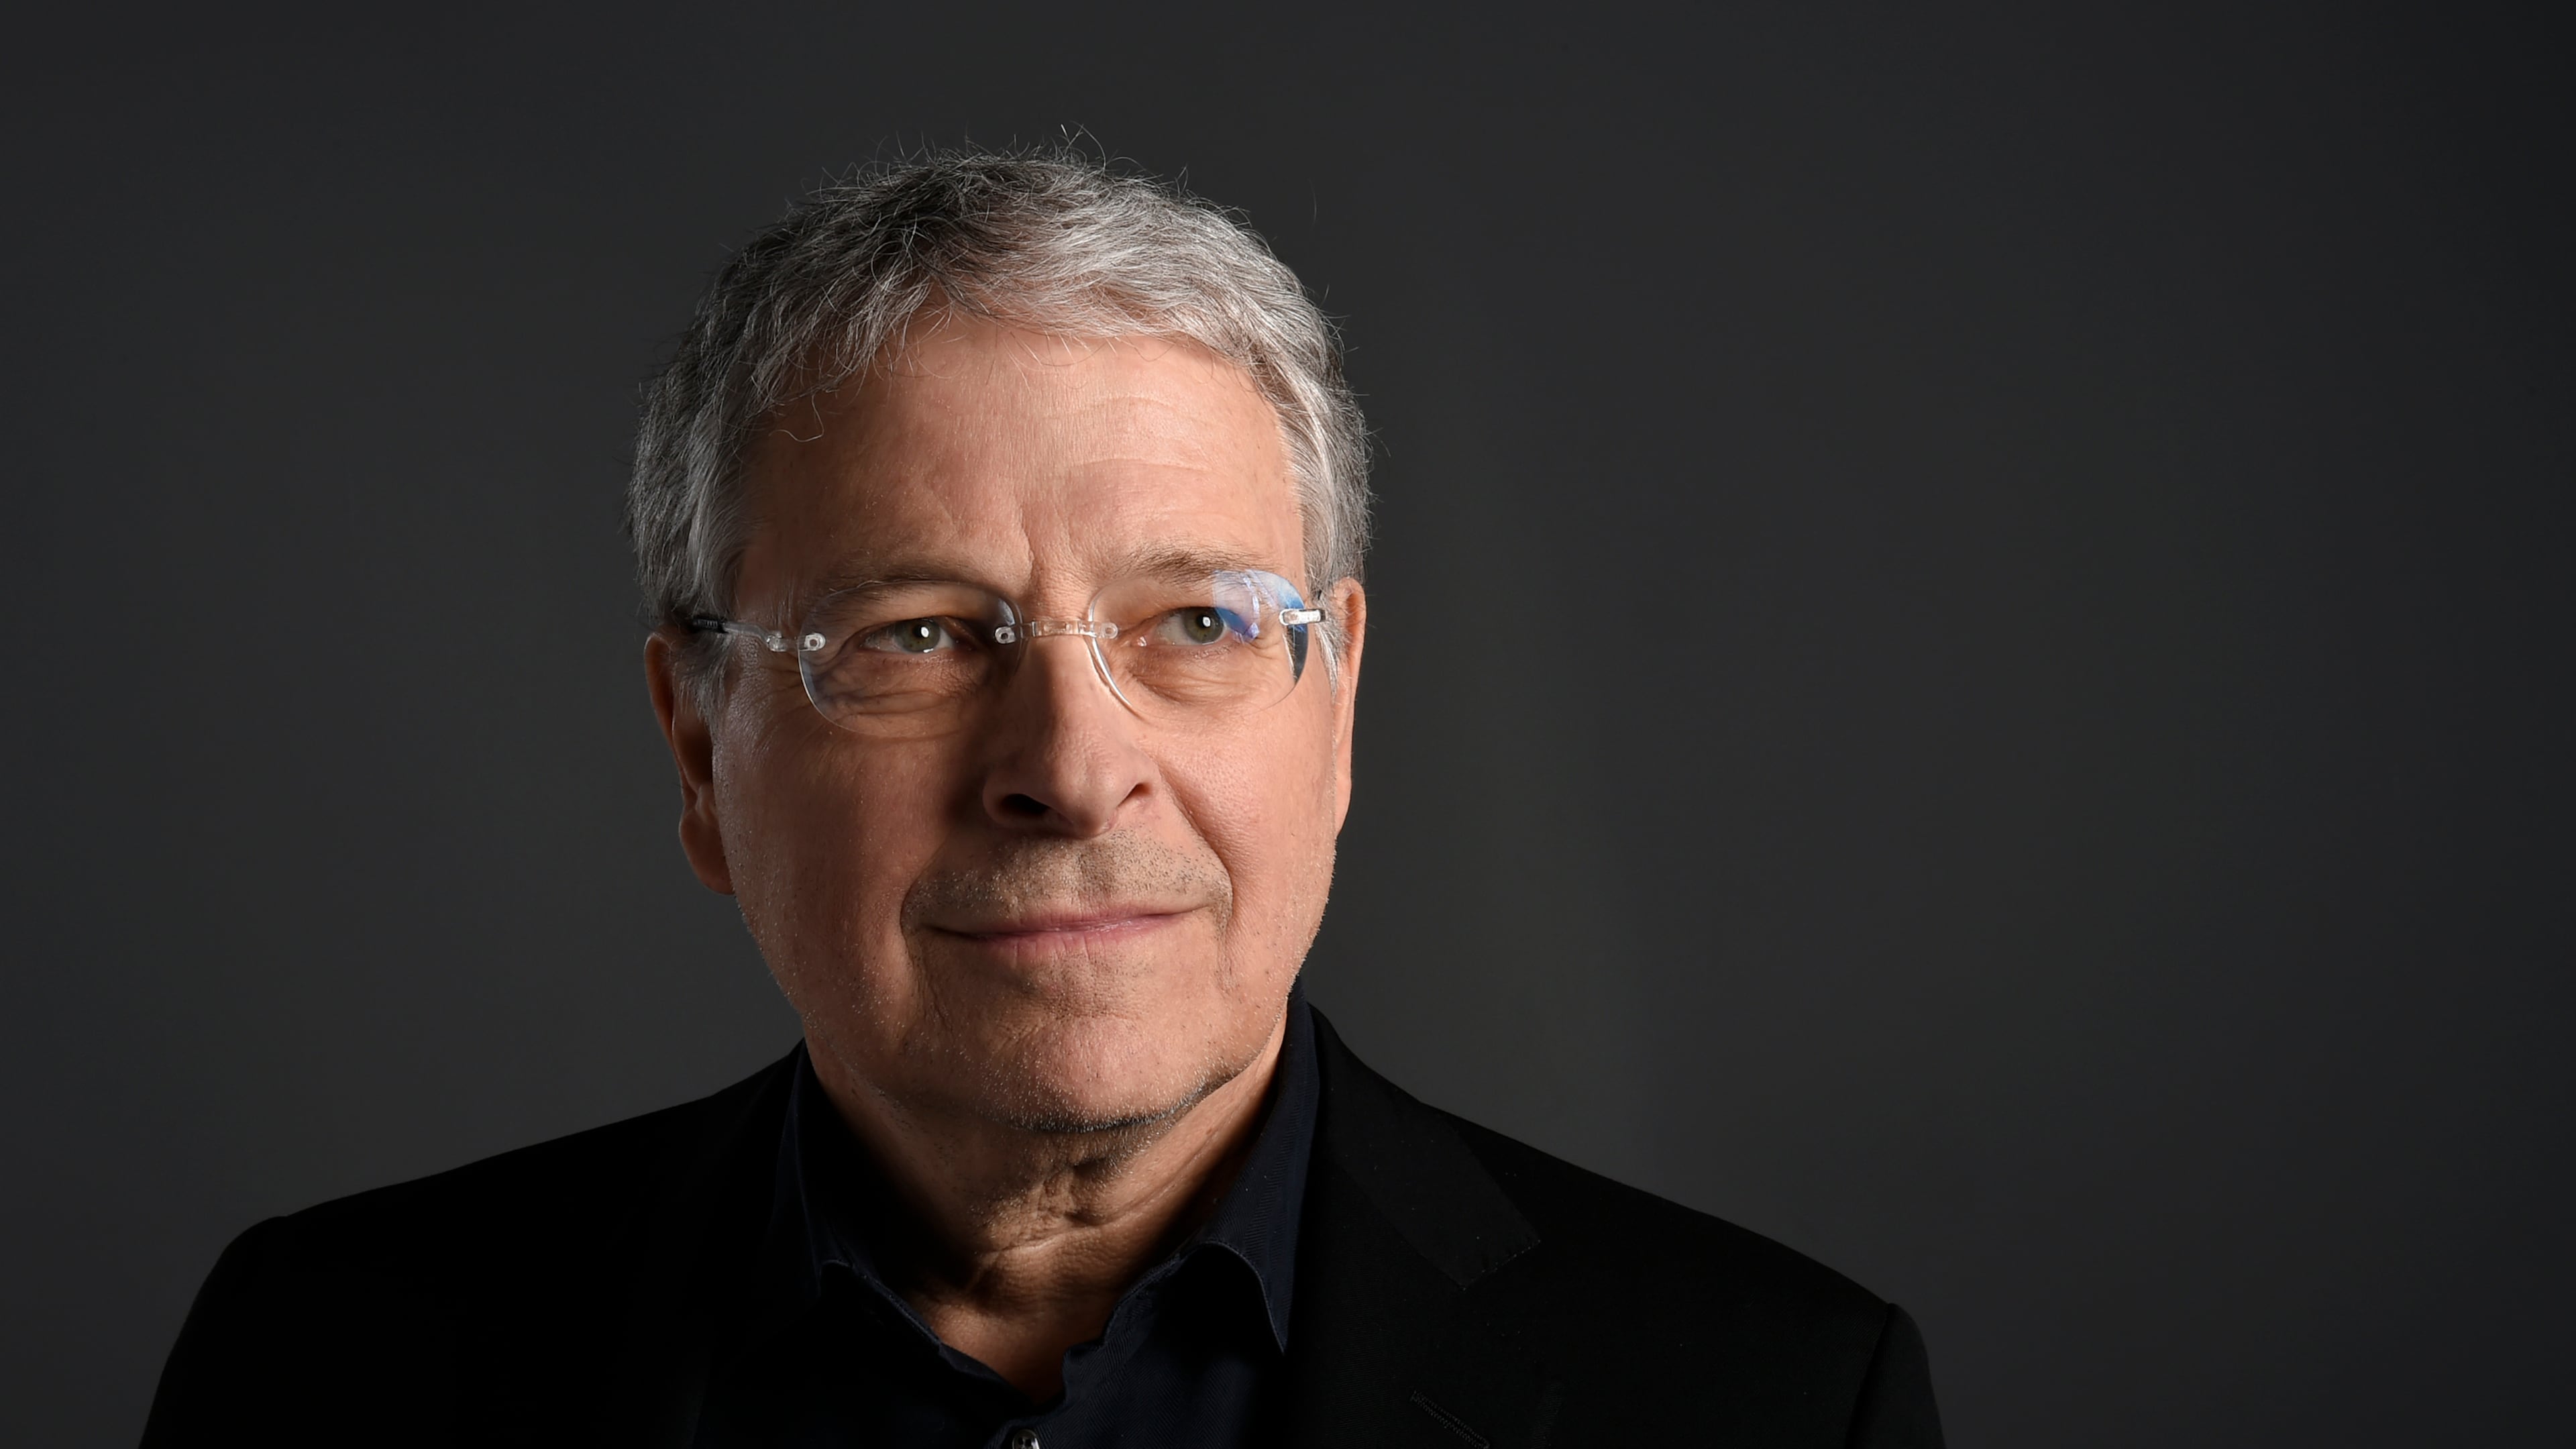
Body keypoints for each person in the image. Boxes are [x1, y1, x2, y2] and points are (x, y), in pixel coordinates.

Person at [142, 149, 1945, 1448]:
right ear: (699, 750)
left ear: (1336, 708)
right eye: (919, 634)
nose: (1074, 771)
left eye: (1197, 624)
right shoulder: (325, 1365)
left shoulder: (1772, 1402)